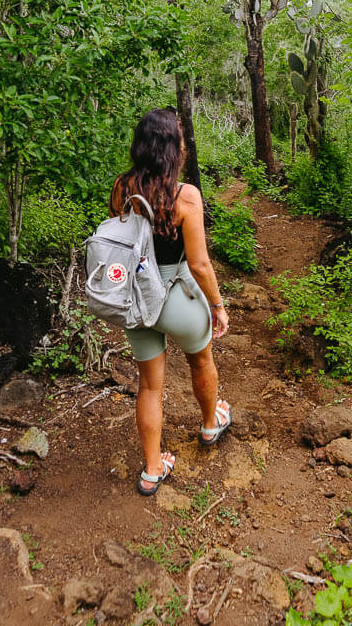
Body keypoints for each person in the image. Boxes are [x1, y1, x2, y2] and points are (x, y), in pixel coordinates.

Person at [109, 108, 231, 497]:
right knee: (201, 360)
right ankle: (211, 424)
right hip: (172, 299)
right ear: (171, 148)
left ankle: (152, 469)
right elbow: (198, 264)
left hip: (134, 298)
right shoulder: (185, 197)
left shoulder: (120, 188)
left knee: (149, 386)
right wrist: (217, 305)